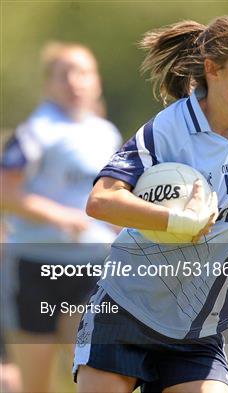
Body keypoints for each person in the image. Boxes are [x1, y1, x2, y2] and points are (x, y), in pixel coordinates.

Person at [74, 14, 228, 393]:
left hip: (195, 328)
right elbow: (101, 200)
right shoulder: (168, 129)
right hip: (126, 309)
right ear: (213, 69)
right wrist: (173, 219)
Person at [0, 42, 121, 392]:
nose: (74, 82)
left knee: (95, 370)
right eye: (64, 74)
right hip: (36, 266)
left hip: (93, 265)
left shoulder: (106, 133)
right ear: (49, 84)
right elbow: (5, 192)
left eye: (83, 72)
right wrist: (60, 216)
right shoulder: (36, 131)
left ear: (96, 81)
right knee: (36, 382)